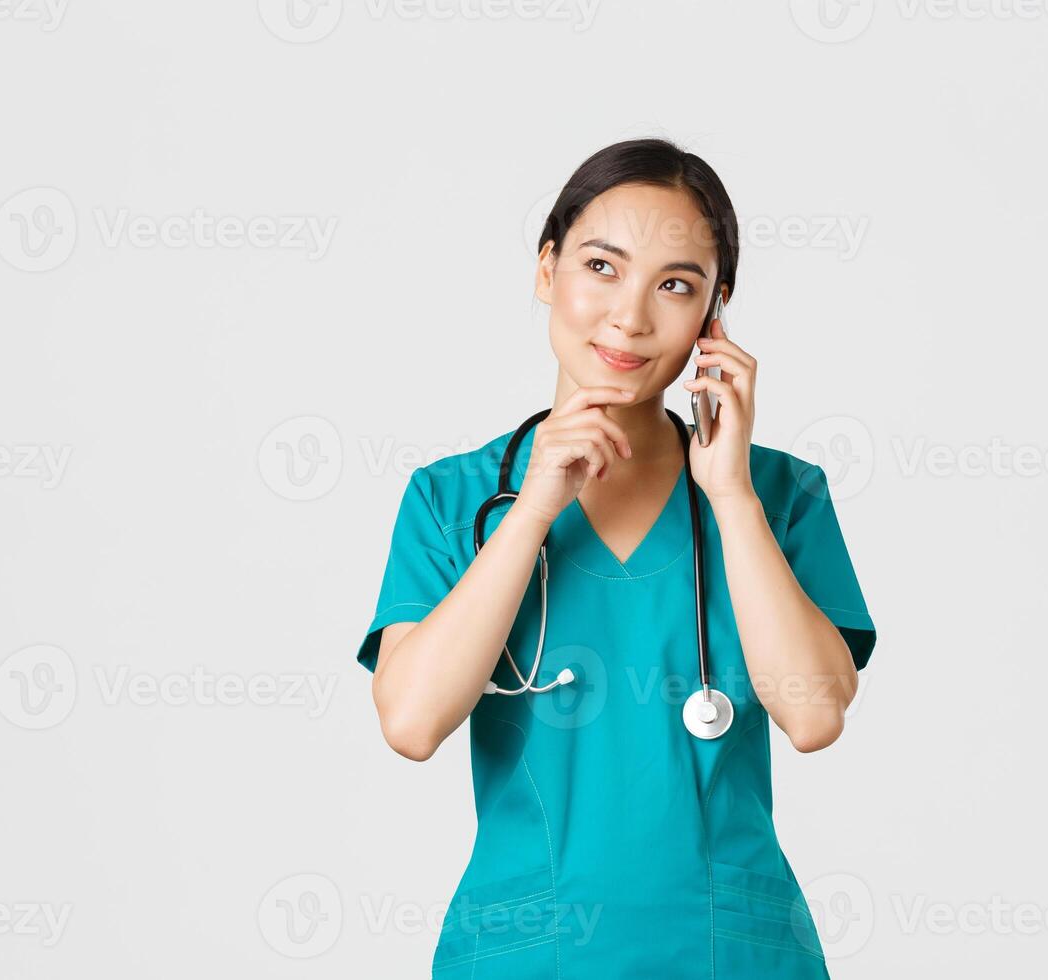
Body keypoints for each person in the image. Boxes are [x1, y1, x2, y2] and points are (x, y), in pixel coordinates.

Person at [354, 137, 876, 978]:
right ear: (545, 270)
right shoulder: (454, 502)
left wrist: (731, 496)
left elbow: (815, 716)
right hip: (526, 958)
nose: (630, 317)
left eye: (675, 285)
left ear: (716, 313)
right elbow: (411, 723)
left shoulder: (781, 495)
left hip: (732, 958)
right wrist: (530, 513)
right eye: (602, 267)